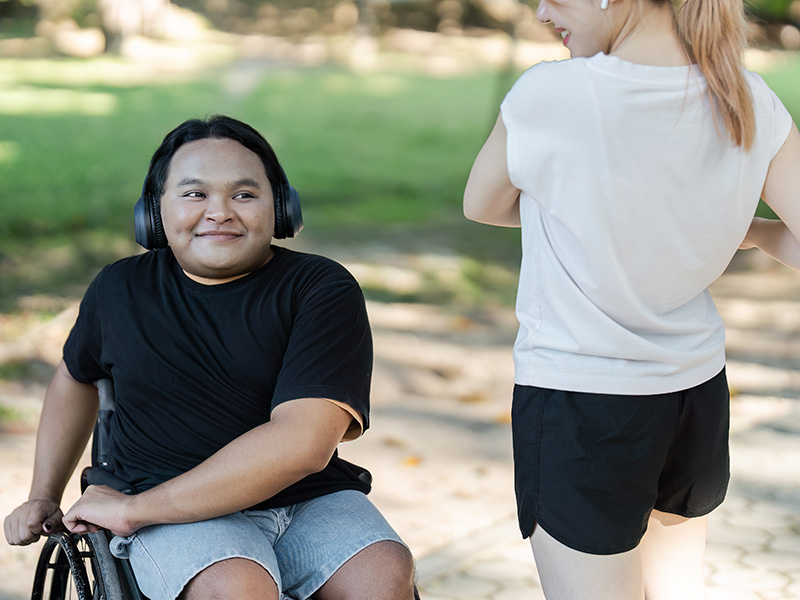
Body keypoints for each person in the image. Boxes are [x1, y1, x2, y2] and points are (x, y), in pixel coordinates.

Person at [463, 0, 800, 597]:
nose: (542, 12)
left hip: (580, 400)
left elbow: (481, 205)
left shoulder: (551, 94)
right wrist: (737, 225)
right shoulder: (747, 96)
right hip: (695, 394)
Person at [4, 115, 417, 600]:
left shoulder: (320, 288)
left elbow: (303, 442)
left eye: (244, 194)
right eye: (194, 194)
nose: (219, 212)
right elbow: (76, 378)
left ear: (281, 208)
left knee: (384, 571)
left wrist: (132, 512)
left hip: (305, 499)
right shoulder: (120, 289)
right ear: (155, 213)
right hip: (161, 493)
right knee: (235, 585)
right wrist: (43, 495)